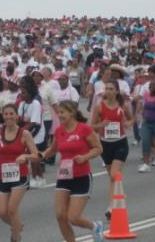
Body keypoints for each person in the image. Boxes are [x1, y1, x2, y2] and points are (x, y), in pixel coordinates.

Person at [40, 100, 104, 242]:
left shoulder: (84, 129)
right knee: (60, 216)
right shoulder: (59, 130)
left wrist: (85, 157)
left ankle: (95, 226)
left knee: (73, 217)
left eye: (63, 112)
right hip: (64, 177)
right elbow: (53, 149)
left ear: (72, 113)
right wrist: (41, 155)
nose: (60, 115)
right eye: (59, 112)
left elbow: (98, 148)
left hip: (81, 177)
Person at [0, 104, 38, 242]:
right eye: (6, 114)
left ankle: (16, 237)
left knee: (12, 210)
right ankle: (17, 225)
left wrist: (25, 157)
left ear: (17, 116)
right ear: (2, 116)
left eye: (11, 114)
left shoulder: (24, 134)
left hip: (19, 176)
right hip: (1, 176)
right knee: (2, 212)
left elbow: (36, 155)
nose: (8, 116)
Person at [90, 80, 133, 220]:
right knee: (112, 177)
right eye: (106, 88)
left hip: (120, 143)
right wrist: (101, 124)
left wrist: (127, 123)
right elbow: (92, 126)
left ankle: (112, 206)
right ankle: (116, 198)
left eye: (111, 88)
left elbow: (132, 119)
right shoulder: (99, 107)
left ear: (116, 91)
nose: (108, 91)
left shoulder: (123, 105)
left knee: (115, 174)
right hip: (105, 144)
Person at [18, 76, 46, 188]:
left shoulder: (36, 103)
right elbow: (19, 120)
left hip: (37, 132)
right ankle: (40, 177)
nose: (21, 95)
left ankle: (35, 177)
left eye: (24, 93)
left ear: (30, 94)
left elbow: (34, 123)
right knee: (33, 155)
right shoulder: (22, 104)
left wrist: (22, 132)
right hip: (27, 132)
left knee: (33, 155)